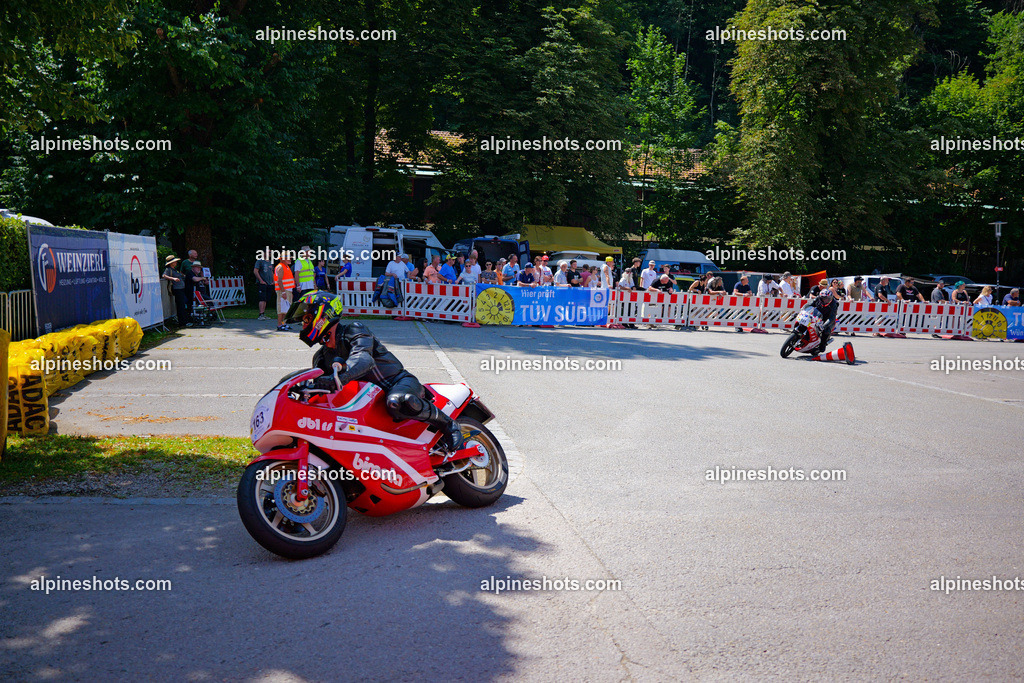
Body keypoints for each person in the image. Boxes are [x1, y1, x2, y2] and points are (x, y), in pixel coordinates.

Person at [287, 291, 464, 451]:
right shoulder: (321, 357)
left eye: (307, 318)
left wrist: (342, 376)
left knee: (399, 401)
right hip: (369, 402)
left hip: (398, 382)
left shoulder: (353, 330)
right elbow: (319, 386)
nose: (303, 323)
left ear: (324, 314)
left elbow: (363, 359)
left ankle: (449, 425)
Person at [805, 287, 839, 353]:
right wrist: (802, 311)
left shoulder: (834, 304)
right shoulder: (817, 299)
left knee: (826, 331)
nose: (825, 300)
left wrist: (824, 326)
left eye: (827, 299)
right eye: (823, 299)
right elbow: (809, 305)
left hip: (828, 319)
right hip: (817, 316)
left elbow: (832, 318)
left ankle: (822, 346)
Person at [162, 255, 189, 327]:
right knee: (180, 305)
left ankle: (185, 320)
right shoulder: (168, 269)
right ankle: (182, 322)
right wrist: (173, 279)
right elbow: (164, 275)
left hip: (181, 288)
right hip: (177, 289)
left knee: (183, 304)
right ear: (171, 263)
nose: (176, 262)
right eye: (174, 262)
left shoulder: (174, 269)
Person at [274, 257, 295, 331]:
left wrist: (290, 292)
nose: (290, 260)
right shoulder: (280, 267)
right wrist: (283, 292)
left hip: (287, 291)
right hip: (283, 291)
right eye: (288, 258)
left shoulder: (286, 266)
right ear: (282, 259)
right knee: (281, 309)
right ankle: (279, 325)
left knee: (286, 309)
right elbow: (279, 281)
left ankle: (283, 324)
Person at [253, 255, 275, 320]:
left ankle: (263, 313)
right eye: (268, 252)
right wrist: (261, 280)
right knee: (262, 298)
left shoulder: (270, 262)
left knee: (266, 298)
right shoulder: (260, 261)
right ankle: (260, 314)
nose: (269, 254)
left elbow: (272, 271)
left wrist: (273, 281)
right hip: (263, 283)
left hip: (269, 283)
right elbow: (255, 271)